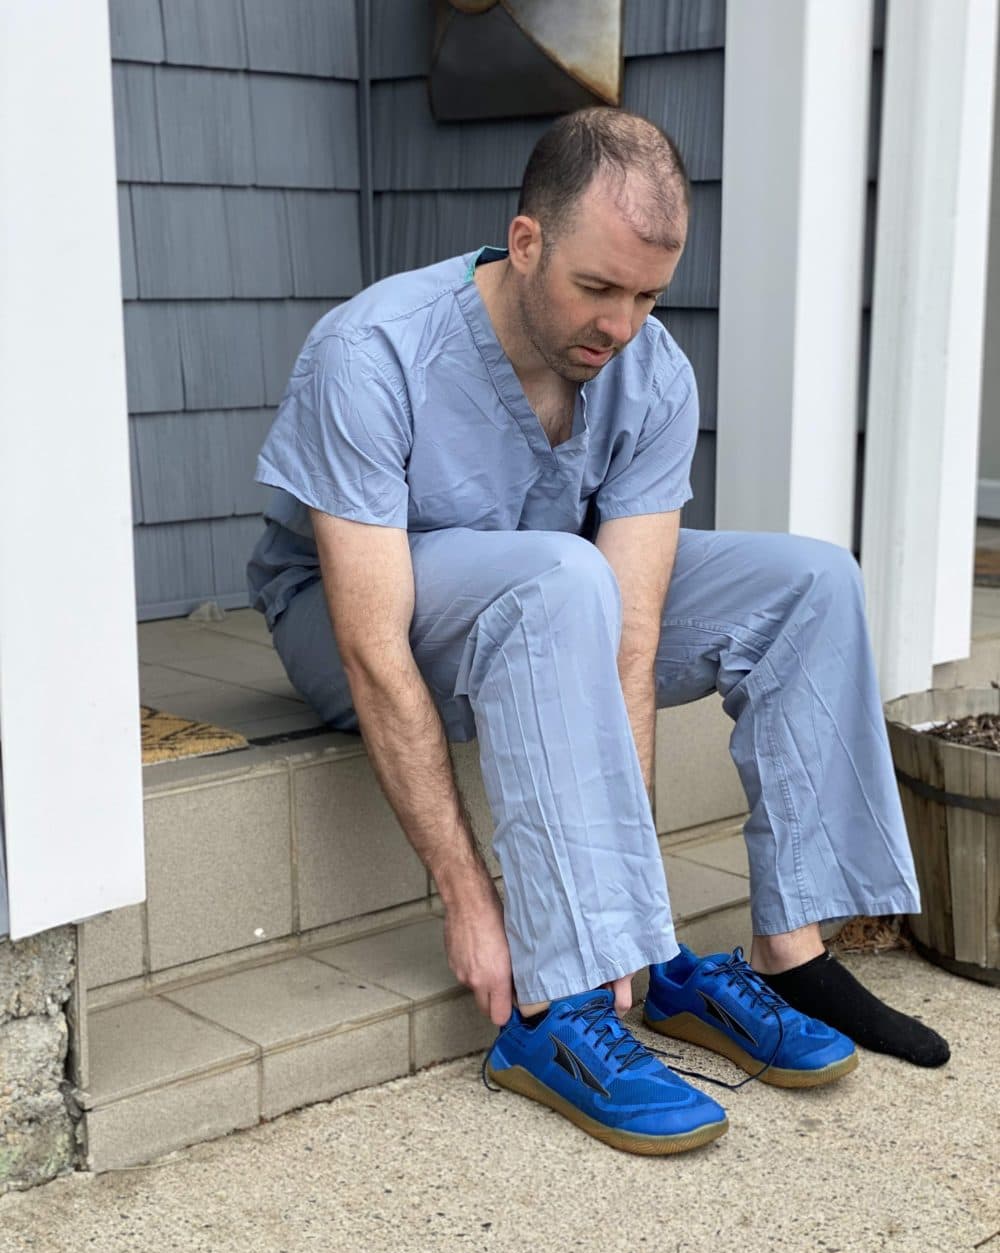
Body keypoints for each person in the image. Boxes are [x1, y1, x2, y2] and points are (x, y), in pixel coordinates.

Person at [248, 107, 949, 1156]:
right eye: (596, 286)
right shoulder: (372, 349)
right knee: (560, 575)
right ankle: (558, 1008)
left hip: (553, 598)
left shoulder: (650, 368)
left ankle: (785, 949)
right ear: (525, 242)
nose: (620, 325)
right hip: (356, 625)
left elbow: (631, 637)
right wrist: (469, 896)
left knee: (808, 579)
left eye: (647, 294)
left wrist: (636, 899)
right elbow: (371, 647)